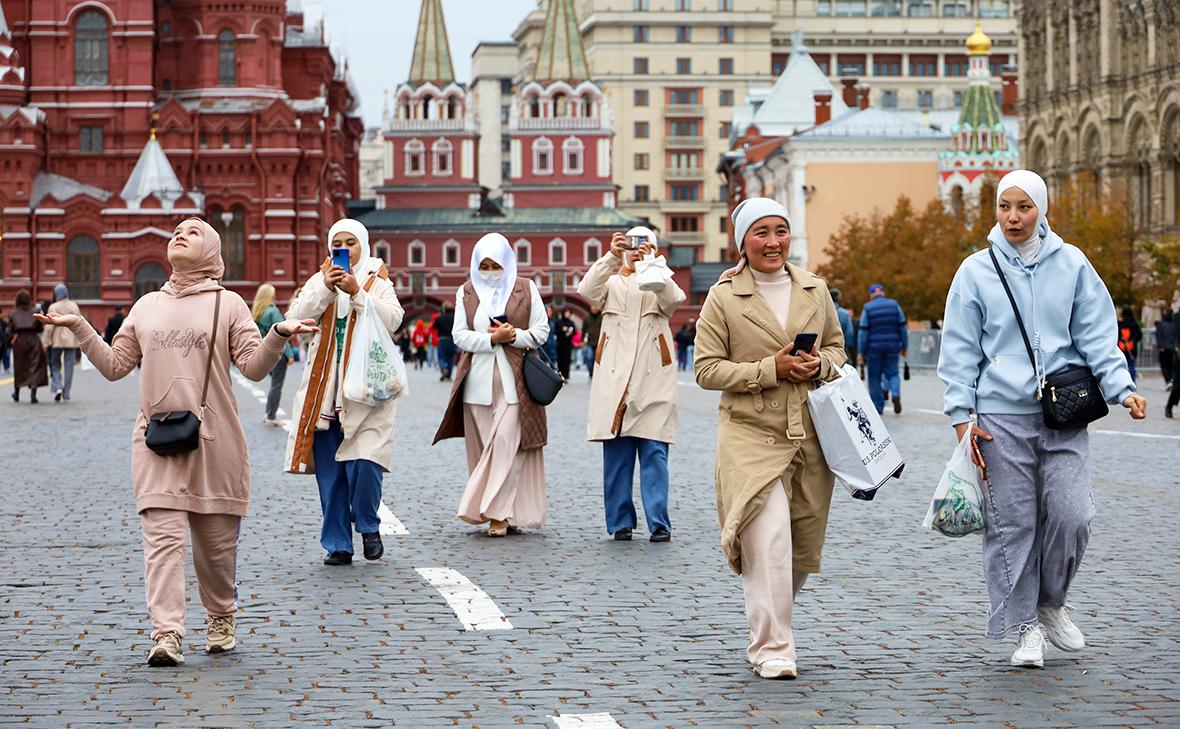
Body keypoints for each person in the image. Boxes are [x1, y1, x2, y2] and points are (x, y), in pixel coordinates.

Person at [35, 218, 315, 666]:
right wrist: (80, 327)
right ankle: (167, 633)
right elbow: (114, 365)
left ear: (211, 251)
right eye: (177, 231)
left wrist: (277, 336)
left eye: (194, 232)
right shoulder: (145, 306)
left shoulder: (229, 305)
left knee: (215, 550)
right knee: (162, 541)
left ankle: (221, 615)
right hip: (155, 441)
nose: (180, 235)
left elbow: (253, 367)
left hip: (215, 441)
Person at [938, 169, 1147, 669]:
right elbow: (961, 348)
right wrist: (961, 416)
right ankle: (1025, 627)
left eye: (1024, 207)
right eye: (1005, 206)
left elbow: (1098, 333)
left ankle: (1051, 602)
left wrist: (1122, 388)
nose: (1013, 216)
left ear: (1041, 209)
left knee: (1074, 515)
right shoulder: (975, 271)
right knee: (1012, 526)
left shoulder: (1071, 264)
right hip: (999, 416)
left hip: (1064, 412)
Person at [693, 197, 846, 680]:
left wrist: (818, 364)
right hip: (749, 433)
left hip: (809, 434)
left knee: (799, 547)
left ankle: (771, 614)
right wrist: (770, 369)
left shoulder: (814, 288)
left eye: (780, 231)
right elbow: (706, 369)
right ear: (743, 241)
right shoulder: (722, 297)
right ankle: (773, 647)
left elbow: (839, 348)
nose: (773, 241)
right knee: (769, 537)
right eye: (761, 232)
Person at [284, 219, 404, 566]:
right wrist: (325, 286)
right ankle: (338, 543)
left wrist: (357, 293)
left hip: (368, 390)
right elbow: (297, 317)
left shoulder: (376, 278)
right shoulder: (319, 278)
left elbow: (394, 320)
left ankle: (367, 523)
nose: (345, 249)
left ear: (363, 245)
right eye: (338, 243)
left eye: (351, 242)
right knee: (331, 476)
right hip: (324, 392)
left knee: (367, 463)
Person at [433, 233, 550, 537]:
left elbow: (541, 331)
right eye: (483, 265)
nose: (489, 271)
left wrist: (514, 336)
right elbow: (460, 336)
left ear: (507, 261)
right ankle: (507, 512)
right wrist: (490, 339)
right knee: (485, 450)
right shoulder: (467, 292)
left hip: (517, 382)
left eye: (495, 264)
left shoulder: (527, 288)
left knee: (506, 444)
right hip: (478, 384)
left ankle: (494, 514)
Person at [579, 230, 686, 542]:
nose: (636, 250)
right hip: (614, 377)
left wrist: (652, 264)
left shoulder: (659, 279)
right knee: (617, 456)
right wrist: (612, 256)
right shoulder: (611, 283)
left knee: (655, 452)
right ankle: (620, 521)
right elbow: (587, 290)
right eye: (631, 244)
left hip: (653, 377)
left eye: (643, 243)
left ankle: (659, 522)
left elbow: (674, 299)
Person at [857, 283, 908, 414]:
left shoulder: (867, 308)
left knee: (874, 377)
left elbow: (863, 332)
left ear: (871, 295)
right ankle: (895, 393)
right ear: (883, 293)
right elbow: (903, 327)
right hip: (892, 346)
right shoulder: (894, 305)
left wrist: (861, 352)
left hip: (873, 349)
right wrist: (904, 346)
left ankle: (878, 407)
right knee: (893, 373)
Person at [252, 284, 297, 426]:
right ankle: (271, 416)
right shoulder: (273, 312)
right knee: (277, 385)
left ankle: (268, 414)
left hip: (265, 352)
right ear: (270, 296)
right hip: (279, 353)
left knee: (273, 384)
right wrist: (290, 354)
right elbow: (284, 334)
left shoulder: (258, 313)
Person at [40, 284, 83, 402]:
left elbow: (49, 326)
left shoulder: (53, 307)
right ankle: (67, 393)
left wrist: (45, 342)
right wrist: (81, 341)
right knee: (69, 367)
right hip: (71, 341)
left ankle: (58, 386)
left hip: (56, 340)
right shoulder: (74, 306)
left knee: (55, 365)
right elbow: (79, 323)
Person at [8, 289, 48, 403]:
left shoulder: (13, 313)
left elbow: (10, 330)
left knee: (19, 366)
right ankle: (33, 392)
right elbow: (40, 328)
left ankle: (17, 393)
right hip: (33, 339)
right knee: (34, 365)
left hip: (19, 340)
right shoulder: (35, 311)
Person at [830, 288, 856, 365]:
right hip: (841, 347)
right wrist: (849, 347)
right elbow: (849, 333)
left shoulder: (821, 311)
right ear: (838, 298)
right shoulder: (845, 314)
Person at [1117, 306, 1142, 382]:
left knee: (1121, 367)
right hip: (1131, 348)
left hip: (1121, 348)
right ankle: (1132, 382)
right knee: (1131, 366)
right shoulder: (1134, 323)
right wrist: (1133, 341)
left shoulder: (1119, 323)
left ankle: (1123, 382)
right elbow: (1139, 335)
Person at [436, 300, 457, 381]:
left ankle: (444, 368)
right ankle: (449, 375)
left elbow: (435, 326)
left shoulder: (440, 317)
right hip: (451, 339)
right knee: (450, 357)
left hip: (442, 339)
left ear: (443, 308)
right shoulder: (454, 317)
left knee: (441, 356)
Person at [1155, 311, 1174, 389]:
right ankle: (1171, 379)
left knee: (1164, 366)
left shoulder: (1160, 324)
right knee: (1171, 365)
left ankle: (1168, 380)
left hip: (1164, 348)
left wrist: (1160, 346)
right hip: (1172, 348)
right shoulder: (1173, 324)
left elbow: (1158, 335)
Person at [583, 306, 602, 377]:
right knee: (589, 358)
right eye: (593, 306)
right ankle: (591, 373)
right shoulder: (587, 318)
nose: (594, 308)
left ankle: (596, 374)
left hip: (599, 342)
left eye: (595, 306)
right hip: (590, 342)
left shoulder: (601, 317)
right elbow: (583, 329)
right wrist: (582, 339)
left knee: (597, 359)